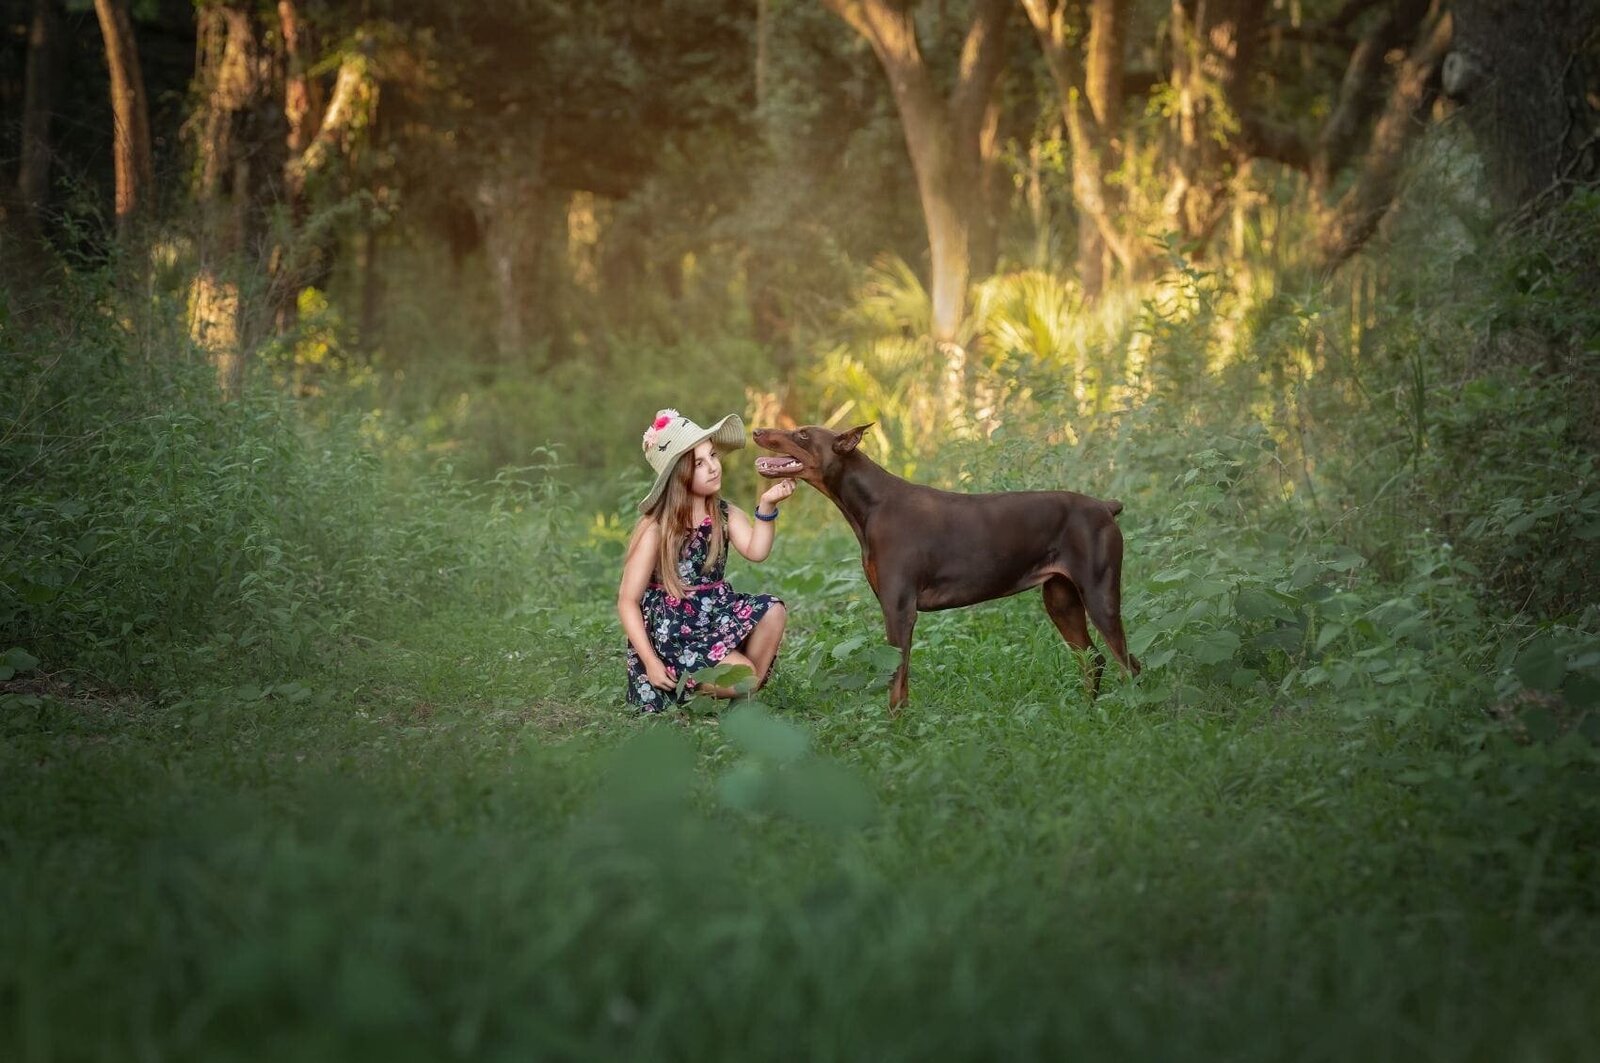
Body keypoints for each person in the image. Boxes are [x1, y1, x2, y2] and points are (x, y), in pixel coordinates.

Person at [618, 408, 795, 711]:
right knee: (745, 677)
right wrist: (649, 661)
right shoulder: (658, 529)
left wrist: (767, 505)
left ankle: (738, 701)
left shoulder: (723, 514)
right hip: (673, 632)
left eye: (713, 456)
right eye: (699, 463)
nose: (713, 467)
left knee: (773, 611)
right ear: (679, 475)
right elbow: (627, 600)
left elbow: (757, 551)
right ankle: (695, 687)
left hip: (714, 615)